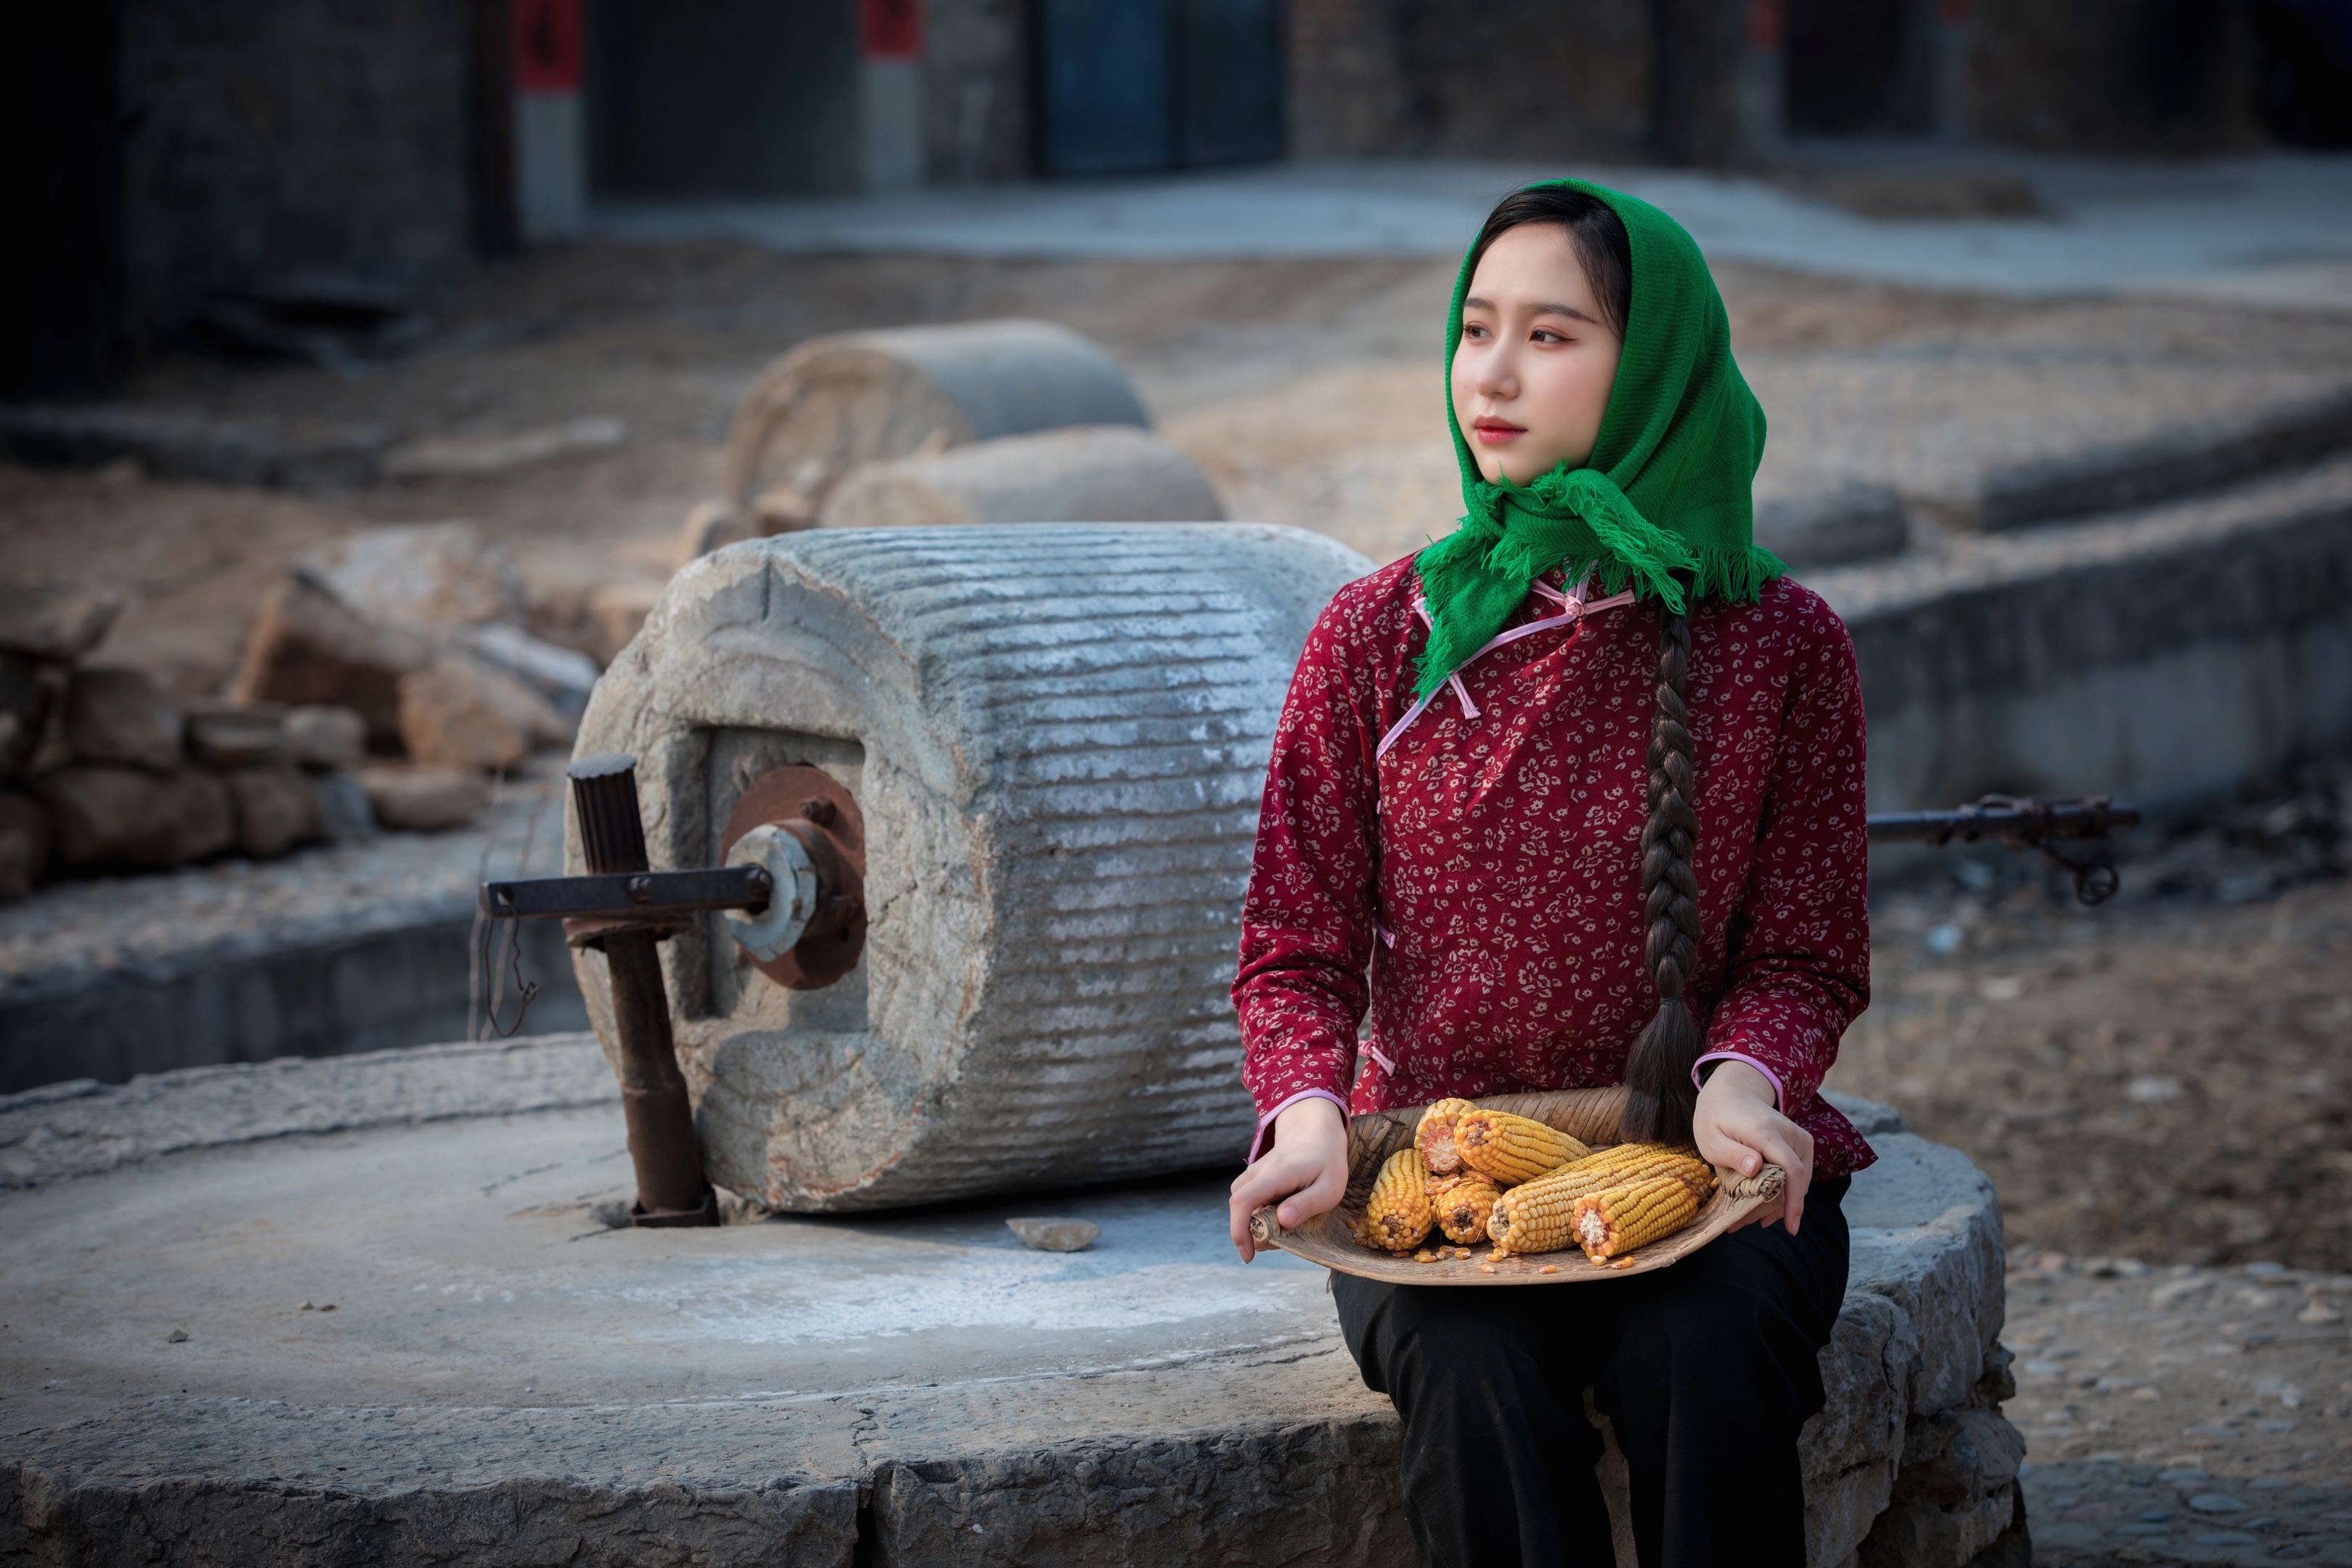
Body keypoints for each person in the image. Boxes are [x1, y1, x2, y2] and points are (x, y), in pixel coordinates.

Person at [1224, 179, 1878, 1568]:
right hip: (1442, 1174)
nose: (1494, 376)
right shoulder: (1376, 635)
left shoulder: (1785, 646)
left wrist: (1748, 1084)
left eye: (1554, 335)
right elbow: (1296, 941)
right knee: (1472, 1377)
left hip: (1698, 1165)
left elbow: (1807, 952)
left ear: (1653, 368)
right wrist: (1308, 1113)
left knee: (1704, 1354)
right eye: (1475, 330)